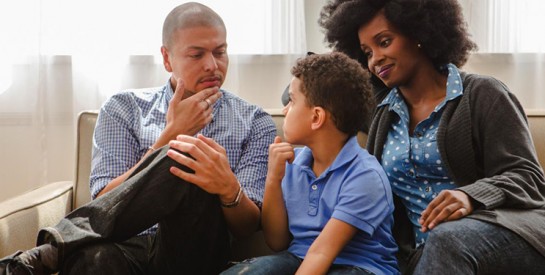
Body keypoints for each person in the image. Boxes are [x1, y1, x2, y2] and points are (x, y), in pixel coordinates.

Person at [0, 2, 276, 275]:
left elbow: (246, 228)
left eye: (220, 52)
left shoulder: (254, 122)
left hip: (194, 249)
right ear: (167, 58)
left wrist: (227, 186)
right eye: (196, 55)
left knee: (190, 155)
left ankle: (54, 250)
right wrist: (169, 136)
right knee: (90, 260)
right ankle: (64, 251)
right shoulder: (123, 108)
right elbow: (106, 201)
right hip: (123, 246)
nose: (212, 65)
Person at [318, 0, 545, 274]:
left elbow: (529, 176)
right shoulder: (383, 112)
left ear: (419, 34)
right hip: (424, 254)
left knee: (447, 238)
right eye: (366, 52)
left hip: (504, 230)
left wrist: (469, 196)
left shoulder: (483, 94)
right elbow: (305, 91)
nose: (375, 59)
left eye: (385, 42)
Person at [223, 52, 399, 275]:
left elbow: (322, 253)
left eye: (292, 101)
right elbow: (277, 242)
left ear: (316, 117)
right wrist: (273, 178)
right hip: (299, 258)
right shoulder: (294, 166)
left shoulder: (365, 176)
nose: (285, 110)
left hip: (358, 266)